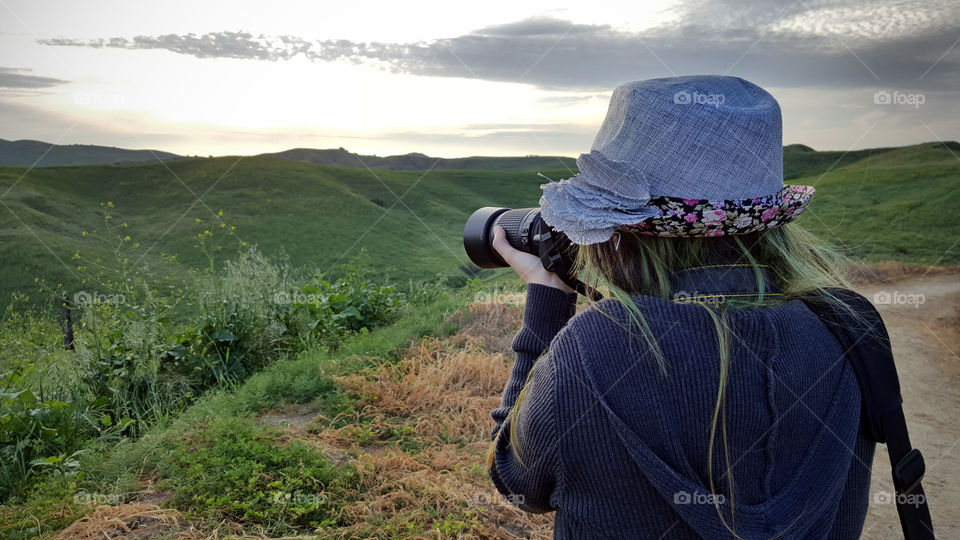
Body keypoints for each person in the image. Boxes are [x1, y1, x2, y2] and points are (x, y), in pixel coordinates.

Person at [485, 75, 876, 539]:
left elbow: (515, 481)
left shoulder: (596, 348)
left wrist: (545, 307)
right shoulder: (848, 325)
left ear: (620, 233)